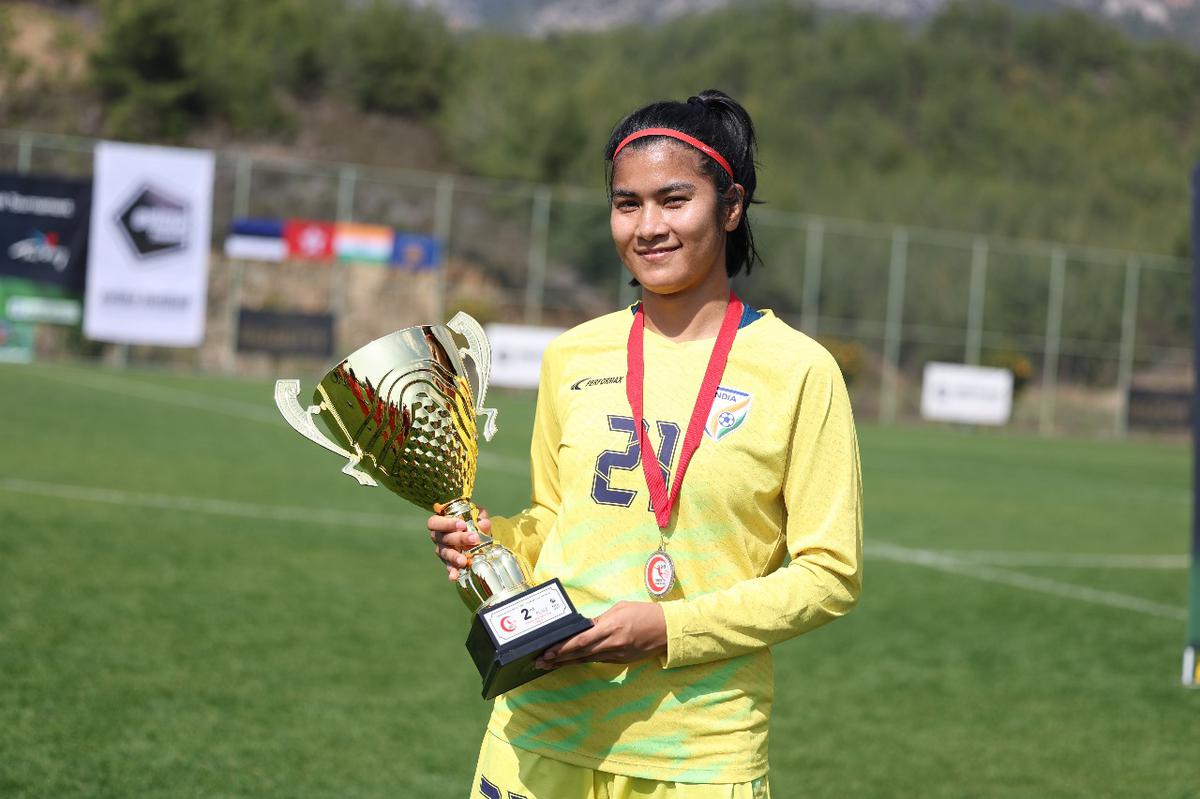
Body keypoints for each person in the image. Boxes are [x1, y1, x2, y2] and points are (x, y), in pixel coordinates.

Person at [428, 89, 863, 799]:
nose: (648, 226)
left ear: (730, 205)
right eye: (627, 203)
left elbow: (829, 573)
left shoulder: (800, 370)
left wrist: (668, 627)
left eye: (673, 199)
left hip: (697, 753)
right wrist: (488, 541)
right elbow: (551, 522)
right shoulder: (571, 355)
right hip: (539, 730)